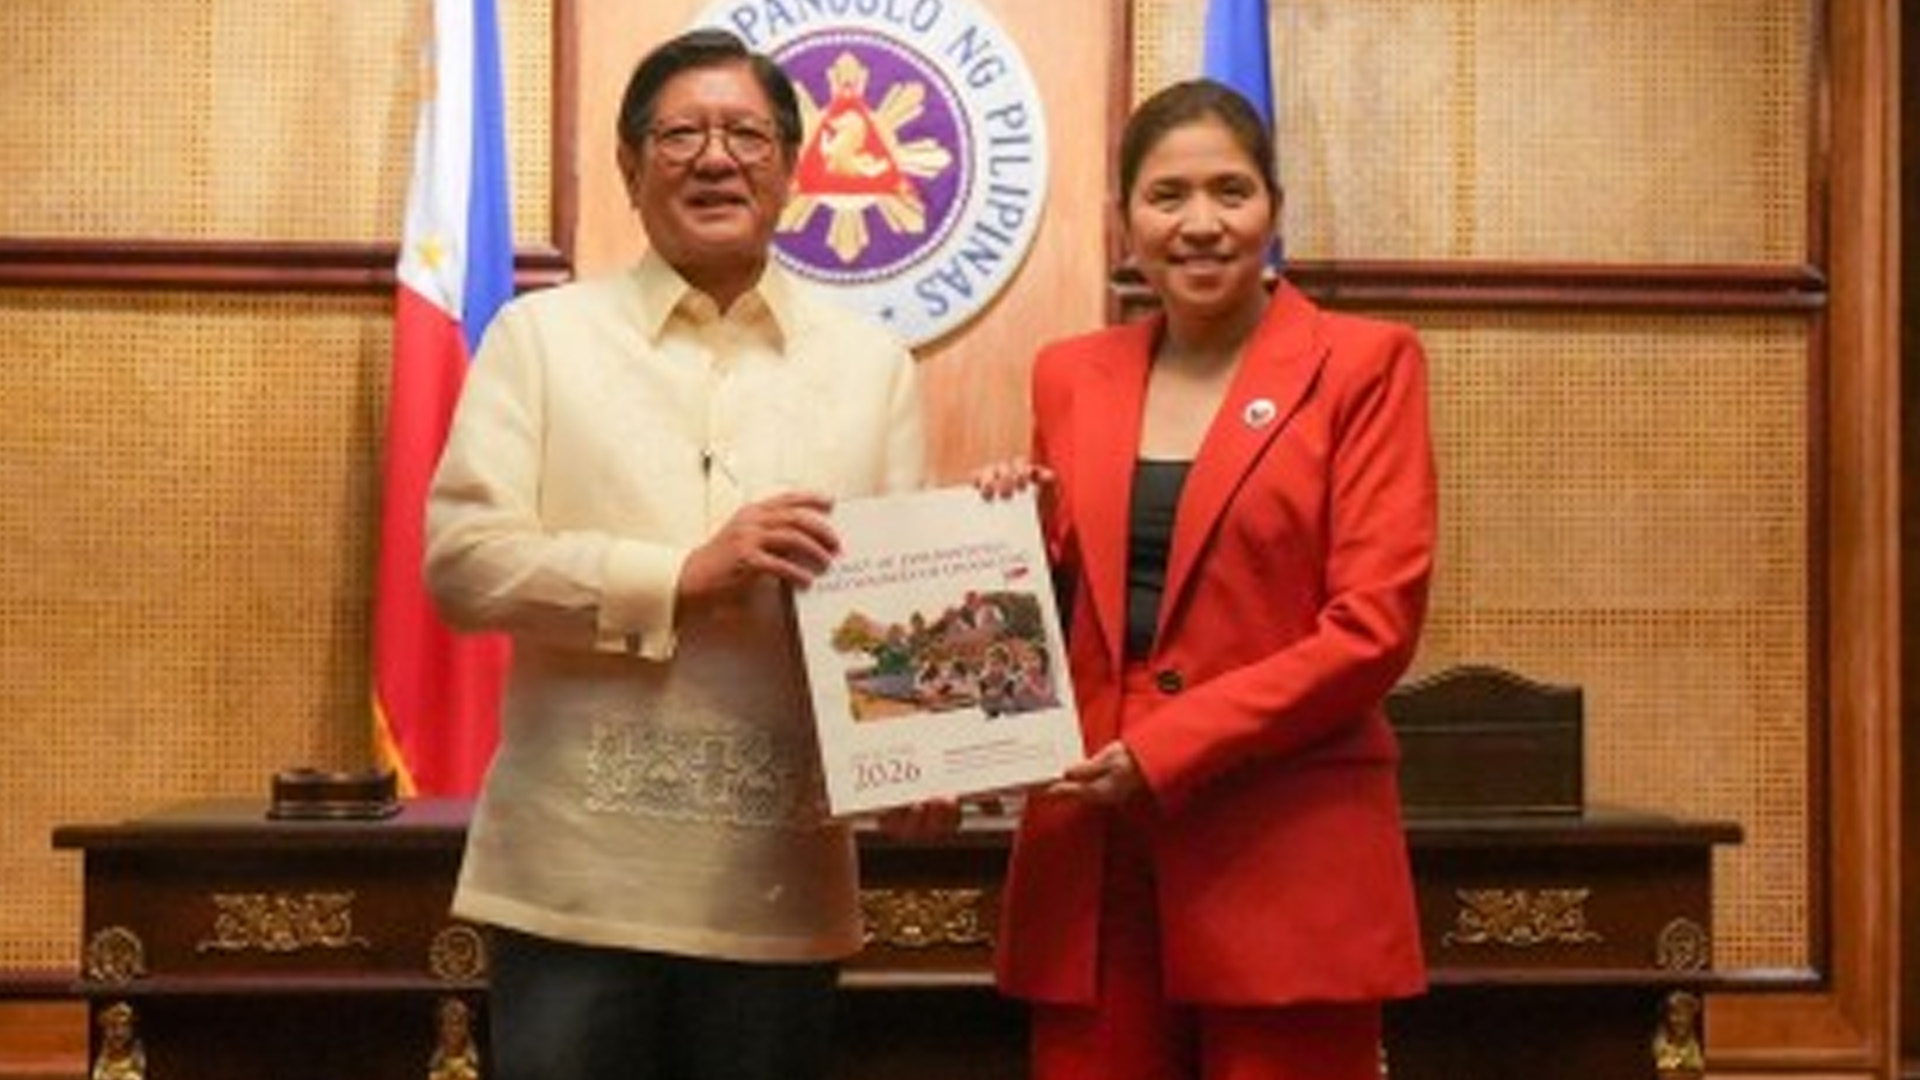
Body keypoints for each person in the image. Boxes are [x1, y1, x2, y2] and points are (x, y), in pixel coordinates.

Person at [424, 28, 945, 1080]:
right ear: (630, 168)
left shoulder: (874, 368)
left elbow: (898, 618)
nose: (716, 158)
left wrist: (928, 755)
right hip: (572, 883)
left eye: (747, 135)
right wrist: (678, 577)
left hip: (775, 892)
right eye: (681, 136)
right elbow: (465, 564)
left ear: (791, 171)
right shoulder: (538, 338)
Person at [977, 79, 1436, 1080]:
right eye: (1167, 195)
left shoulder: (1365, 365)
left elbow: (1373, 629)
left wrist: (1165, 748)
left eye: (1230, 191)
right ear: (1125, 220)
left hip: (1284, 845)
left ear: (1274, 208)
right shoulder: (1070, 373)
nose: (1199, 223)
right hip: (1095, 846)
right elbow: (1073, 609)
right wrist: (1010, 534)